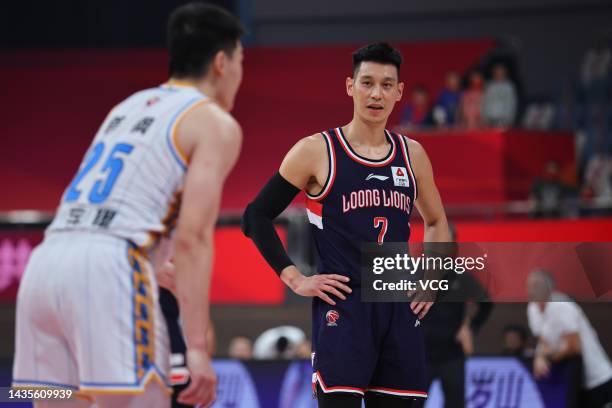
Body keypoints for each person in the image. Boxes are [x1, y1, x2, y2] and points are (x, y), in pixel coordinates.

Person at [12, 3, 245, 407]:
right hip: (110, 272)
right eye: (242, 61)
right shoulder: (215, 123)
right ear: (222, 63)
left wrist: (153, 266)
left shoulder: (128, 107)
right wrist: (197, 348)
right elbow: (193, 238)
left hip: (43, 268)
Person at [242, 42, 450, 408]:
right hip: (344, 307)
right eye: (367, 82)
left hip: (398, 307)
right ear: (349, 86)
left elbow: (436, 222)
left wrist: (431, 279)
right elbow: (255, 216)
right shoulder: (316, 150)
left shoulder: (412, 154)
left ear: (399, 92)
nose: (376, 93)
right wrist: (295, 278)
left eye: (387, 85)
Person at [423, 224, 493, 408]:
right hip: (421, 356)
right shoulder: (416, 274)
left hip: (452, 355)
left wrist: (470, 326)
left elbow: (487, 304)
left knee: (455, 404)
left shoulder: (461, 276)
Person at [527, 270, 612, 407]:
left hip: (597, 379)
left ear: (549, 287)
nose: (532, 288)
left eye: (537, 284)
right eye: (530, 284)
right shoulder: (532, 309)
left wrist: (550, 359)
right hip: (571, 382)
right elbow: (543, 342)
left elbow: (574, 347)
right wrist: (539, 357)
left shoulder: (562, 306)